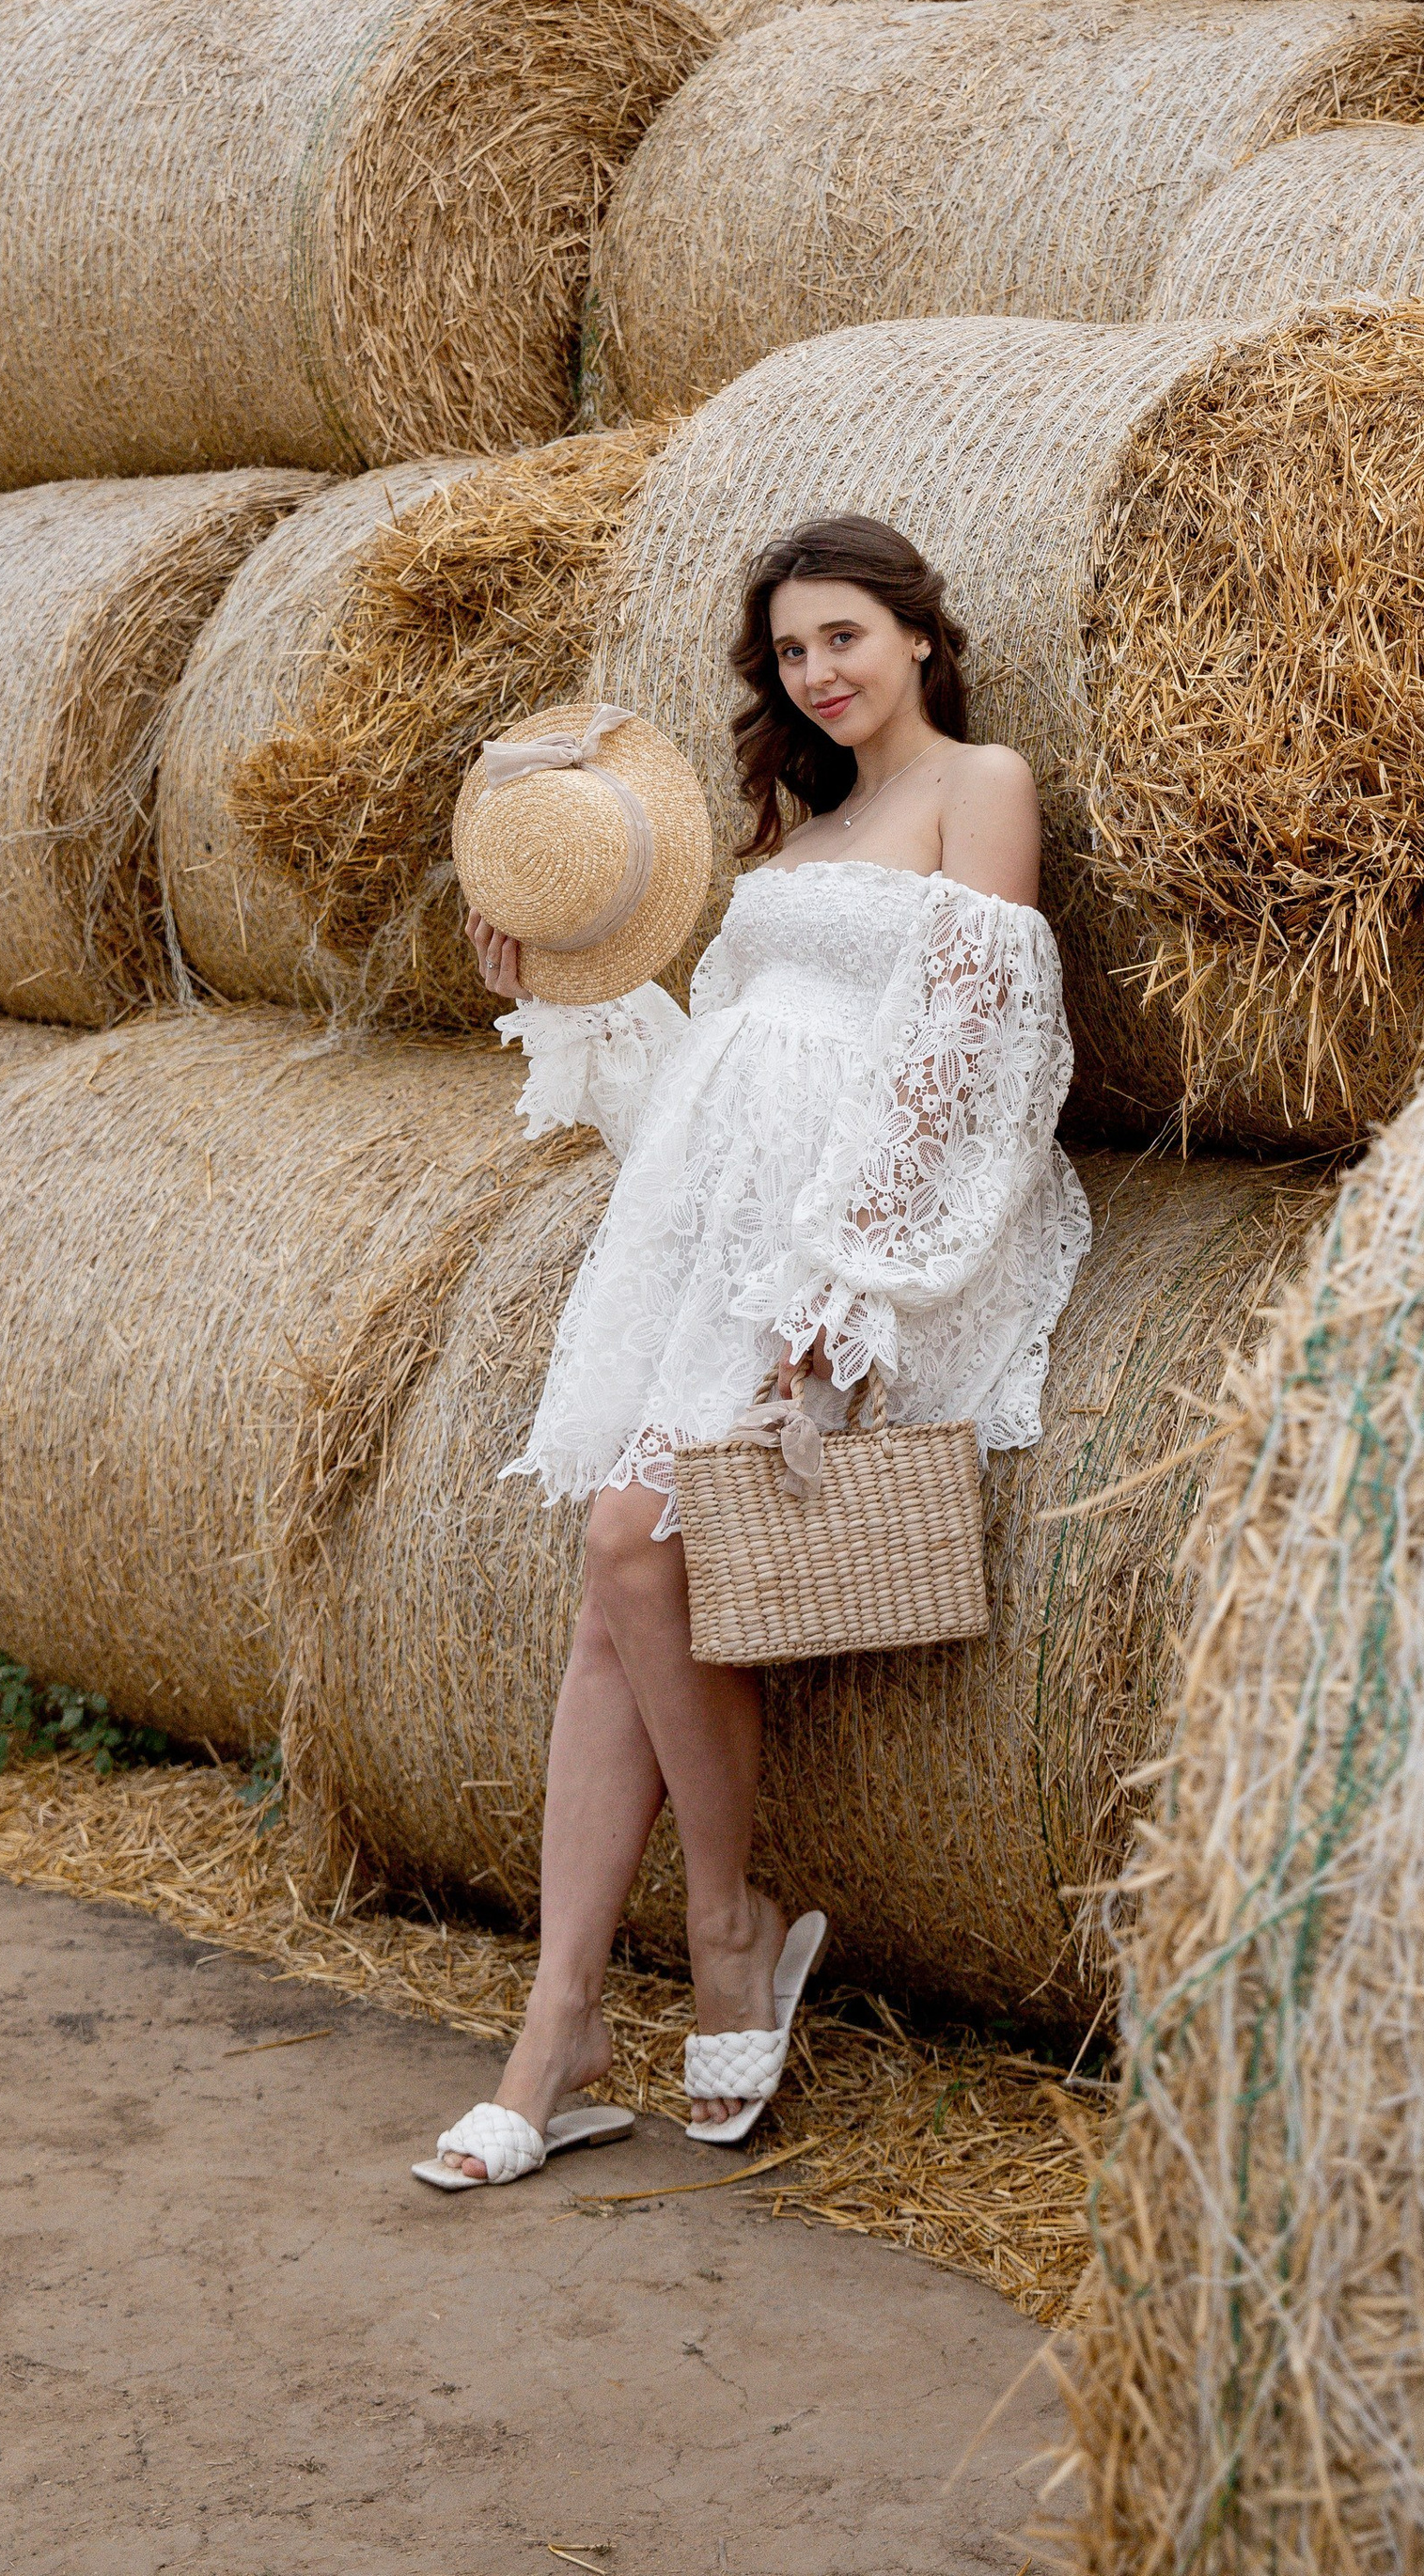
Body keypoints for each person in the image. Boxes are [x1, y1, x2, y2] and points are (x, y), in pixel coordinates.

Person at [413, 513, 1090, 2189]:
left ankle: (723, 1928)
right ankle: (561, 2029)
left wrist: (846, 1302)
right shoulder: (797, 829)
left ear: (918, 634)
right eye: (791, 652)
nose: (819, 672)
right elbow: (714, 1071)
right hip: (713, 1236)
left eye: (843, 635)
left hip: (848, 1251)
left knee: (627, 1546)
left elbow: (967, 1052)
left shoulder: (979, 786)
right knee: (615, 1595)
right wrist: (565, 989)